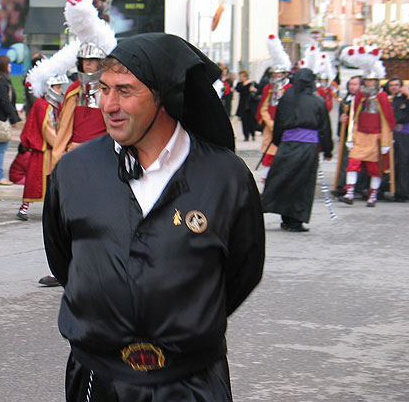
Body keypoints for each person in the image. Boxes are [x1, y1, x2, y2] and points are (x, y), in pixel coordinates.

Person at [43, 33, 265, 401]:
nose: (109, 104)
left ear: (164, 96)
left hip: (192, 380)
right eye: (104, 88)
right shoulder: (73, 171)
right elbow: (64, 259)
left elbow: (244, 270)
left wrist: (186, 319)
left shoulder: (226, 176)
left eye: (125, 91)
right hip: (98, 377)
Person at [50, 0, 117, 169]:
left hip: (103, 151)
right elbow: (64, 126)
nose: (88, 64)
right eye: (85, 61)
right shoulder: (74, 90)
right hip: (75, 152)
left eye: (93, 60)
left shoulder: (110, 89)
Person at [261, 68, 333, 232]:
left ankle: (285, 217)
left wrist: (279, 142)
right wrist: (328, 150)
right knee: (302, 183)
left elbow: (278, 123)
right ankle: (294, 220)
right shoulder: (318, 102)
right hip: (307, 148)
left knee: (283, 179)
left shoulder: (286, 100)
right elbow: (324, 128)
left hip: (287, 145)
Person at [17, 41, 78, 221]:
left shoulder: (52, 105)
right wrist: (61, 143)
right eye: (58, 87)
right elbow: (47, 129)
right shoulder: (42, 105)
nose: (60, 90)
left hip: (52, 148)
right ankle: (24, 208)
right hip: (44, 149)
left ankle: (56, 211)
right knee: (36, 181)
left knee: (54, 182)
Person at [337, 46, 395, 207]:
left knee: (375, 168)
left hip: (376, 138)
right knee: (353, 164)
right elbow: (353, 118)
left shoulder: (383, 97)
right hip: (360, 136)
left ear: (376, 82)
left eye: (372, 81)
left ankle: (373, 195)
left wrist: (385, 142)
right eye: (367, 81)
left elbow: (387, 121)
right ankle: (349, 193)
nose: (369, 83)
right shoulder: (359, 96)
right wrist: (350, 137)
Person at [256, 34, 292, 184]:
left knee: (283, 157)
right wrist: (270, 123)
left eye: (279, 73)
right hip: (270, 128)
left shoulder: (290, 89)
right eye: (274, 73)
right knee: (268, 156)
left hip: (285, 128)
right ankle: (267, 183)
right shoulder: (269, 88)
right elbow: (263, 107)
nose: (276, 76)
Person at [0, 55, 21, 185]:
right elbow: (5, 102)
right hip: (1, 118)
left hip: (2, 117)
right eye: (8, 64)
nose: (10, 66)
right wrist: (14, 118)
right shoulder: (1, 81)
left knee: (1, 147)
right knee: (1, 147)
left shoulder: (1, 80)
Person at [386, 77, 409, 201]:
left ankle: (402, 191)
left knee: (405, 162)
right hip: (390, 134)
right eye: (391, 85)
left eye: (396, 85)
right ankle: (388, 188)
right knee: (391, 162)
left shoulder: (408, 98)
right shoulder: (388, 99)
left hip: (405, 134)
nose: (394, 87)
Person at [332, 76, 362, 196]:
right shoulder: (345, 101)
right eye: (350, 84)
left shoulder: (363, 100)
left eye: (355, 84)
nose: (352, 87)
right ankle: (342, 185)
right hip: (347, 135)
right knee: (345, 161)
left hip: (359, 135)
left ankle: (357, 187)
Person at [234, 69, 259, 141]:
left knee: (252, 121)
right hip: (244, 106)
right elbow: (238, 89)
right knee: (244, 122)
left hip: (252, 106)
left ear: (246, 76)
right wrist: (245, 83)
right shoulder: (240, 84)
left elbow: (259, 90)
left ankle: (253, 134)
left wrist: (255, 90)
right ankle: (246, 136)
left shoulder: (253, 83)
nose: (241, 78)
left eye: (242, 76)